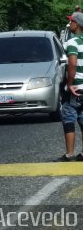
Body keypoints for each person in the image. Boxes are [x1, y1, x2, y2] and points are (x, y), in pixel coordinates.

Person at [57, 11, 83, 161]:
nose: (69, 24)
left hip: (76, 87)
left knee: (68, 119)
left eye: (72, 21)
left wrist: (69, 84)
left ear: (77, 25)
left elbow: (72, 63)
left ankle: (70, 154)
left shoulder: (73, 42)